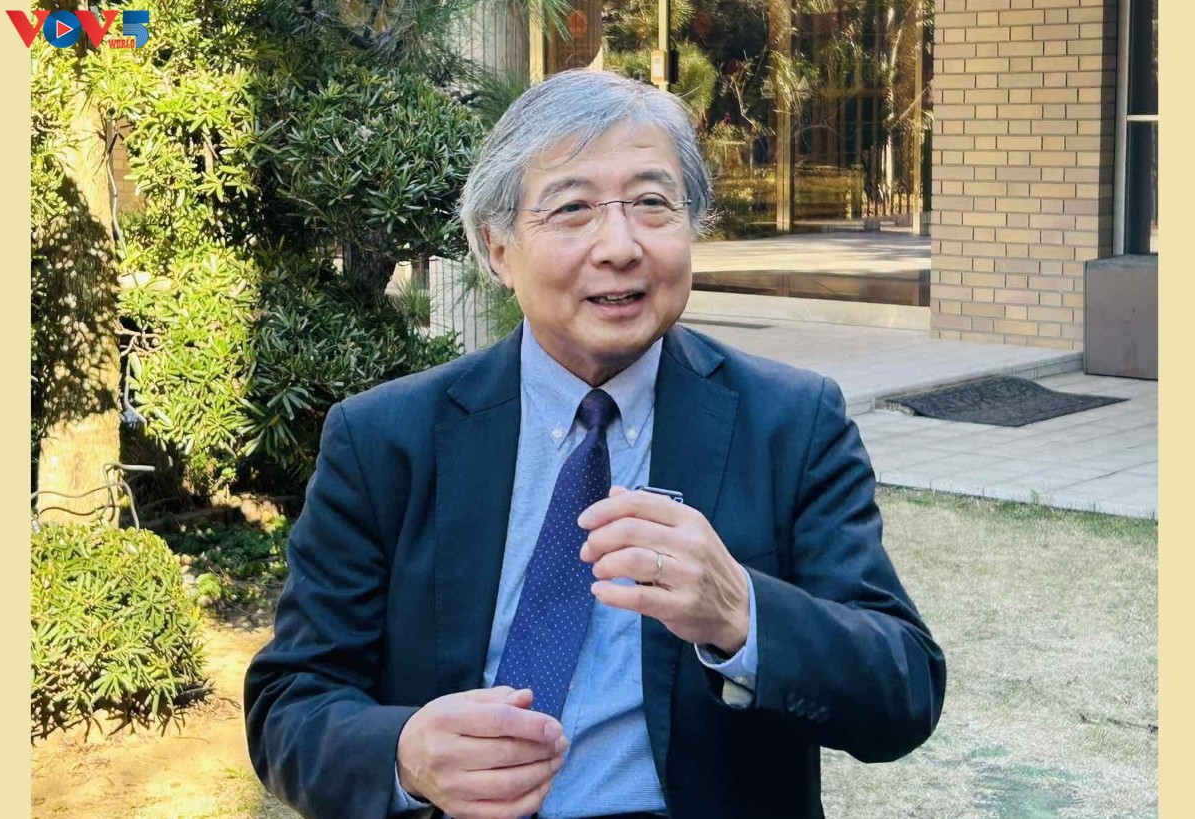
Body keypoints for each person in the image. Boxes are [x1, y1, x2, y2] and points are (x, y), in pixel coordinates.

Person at [244, 68, 946, 819]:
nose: (620, 246)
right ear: (498, 247)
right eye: (572, 208)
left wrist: (742, 612)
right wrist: (406, 754)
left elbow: (903, 688)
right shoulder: (385, 440)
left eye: (652, 203)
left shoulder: (792, 423)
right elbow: (291, 701)